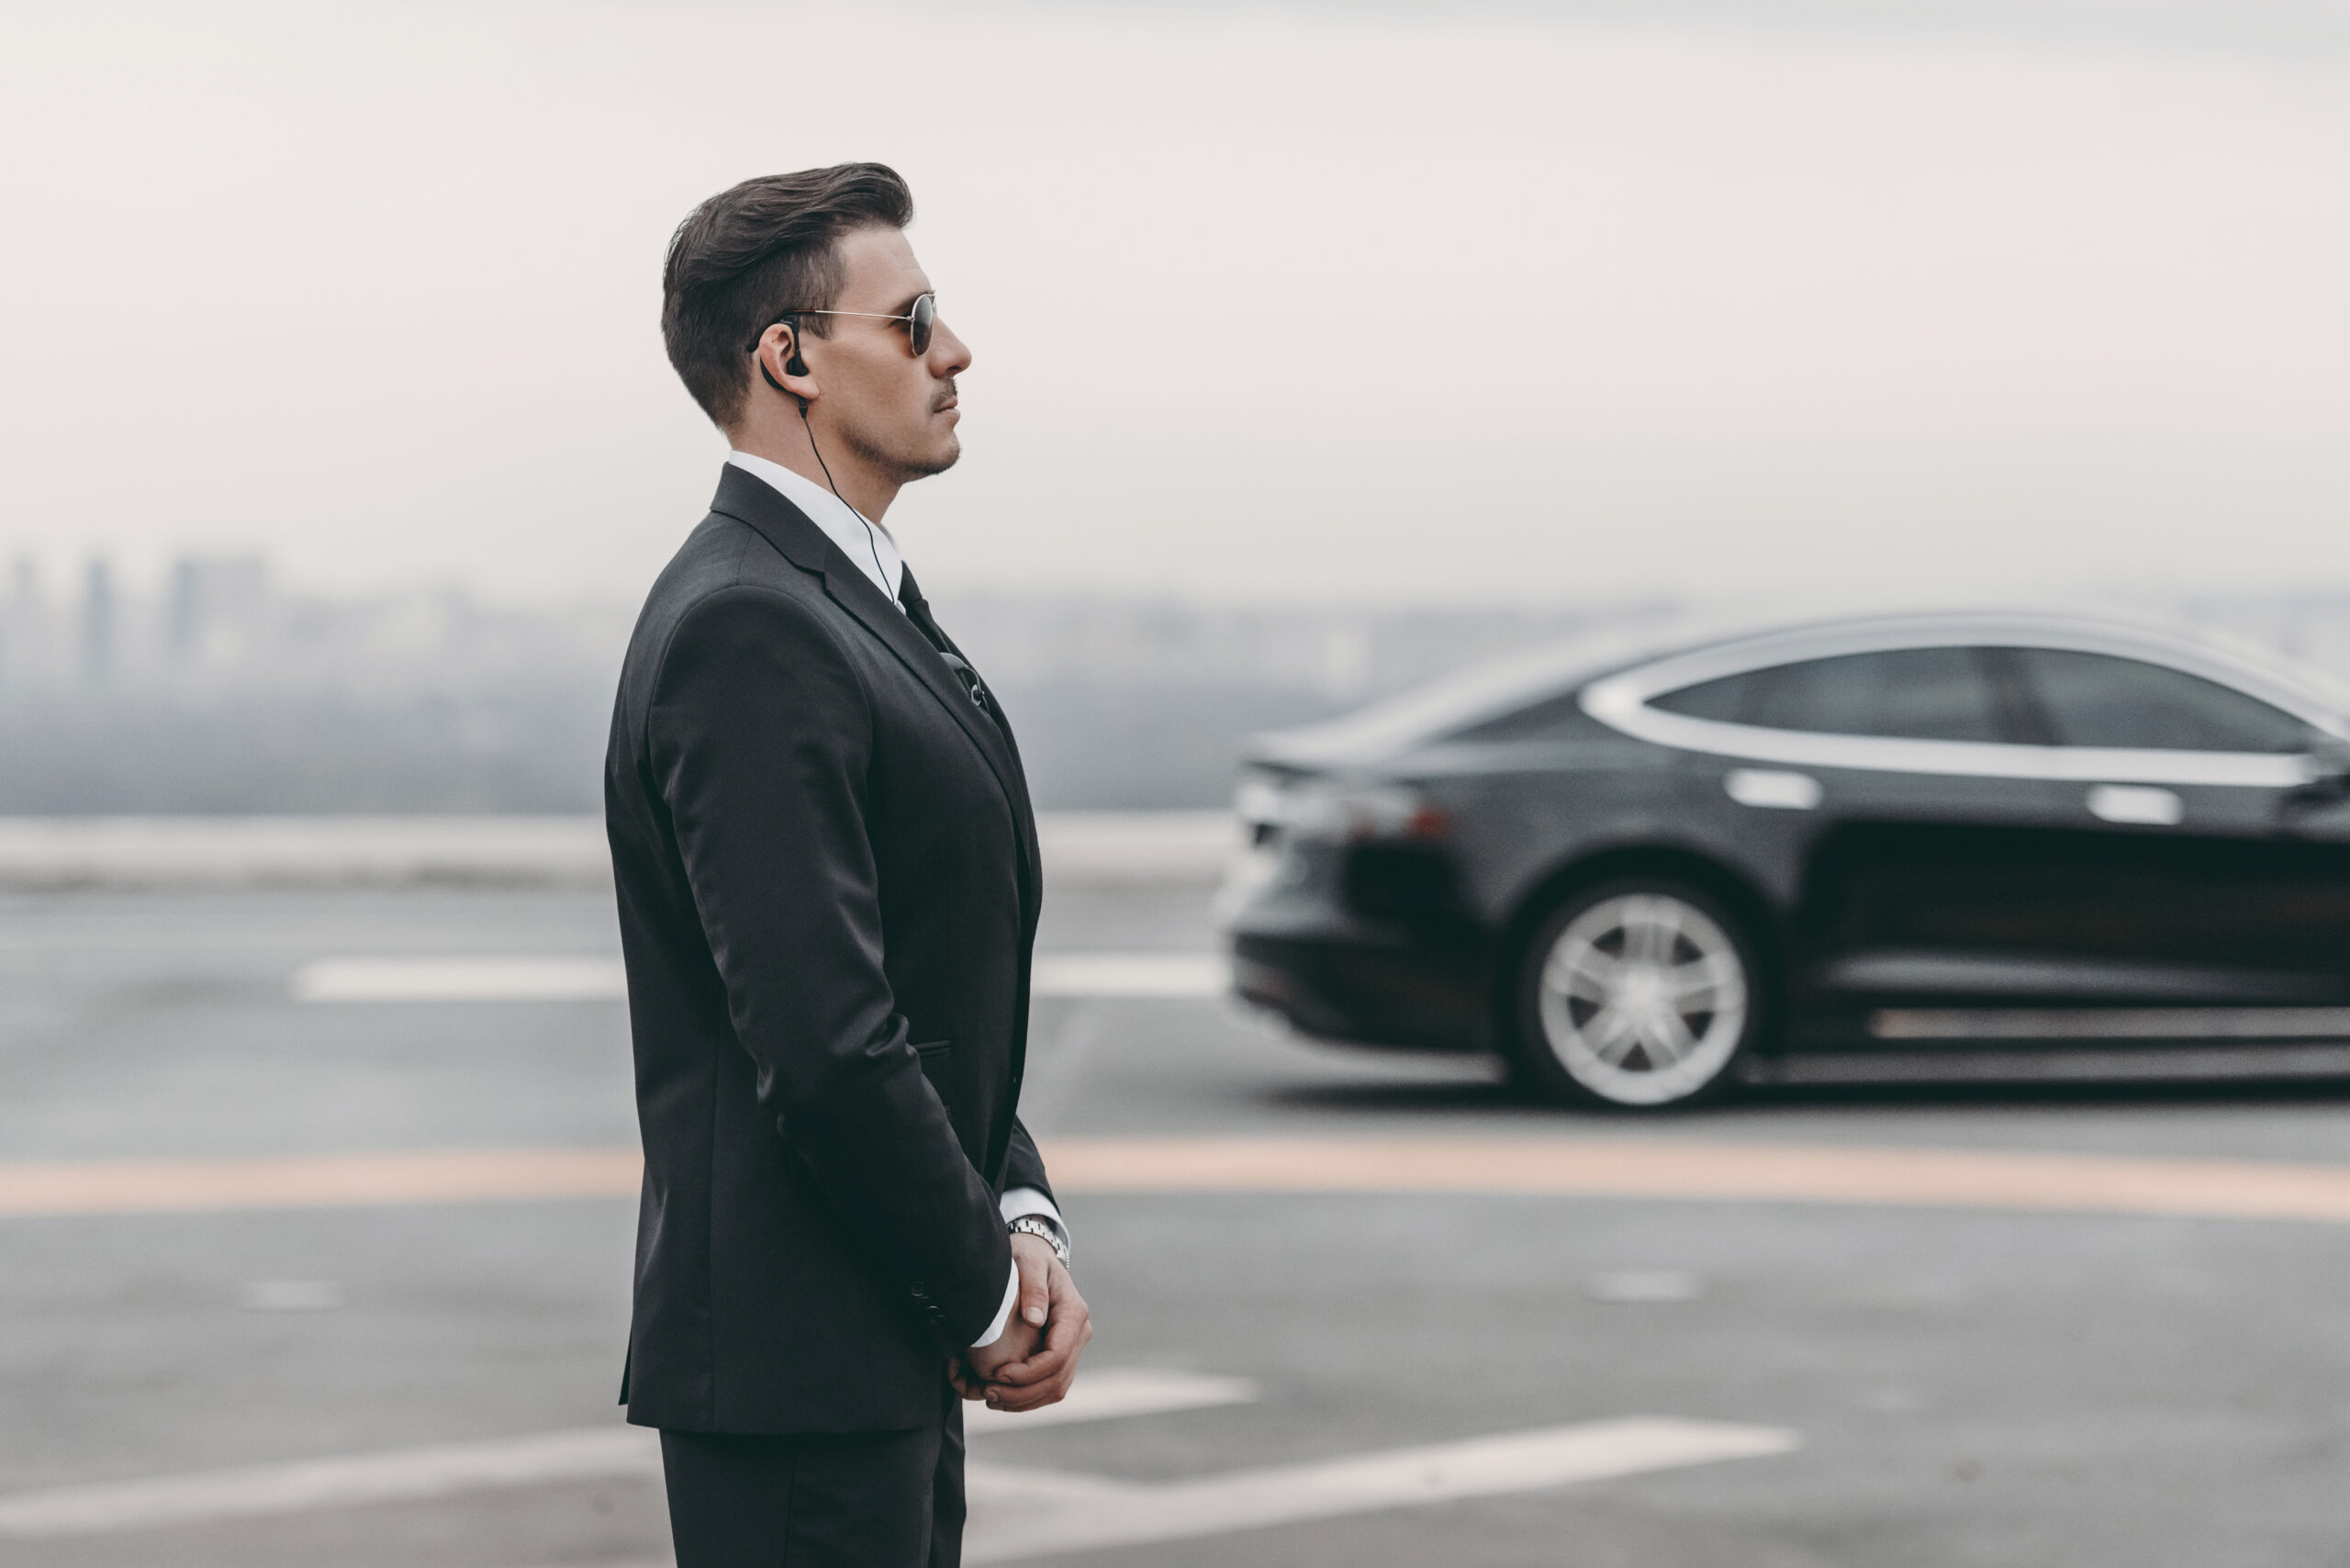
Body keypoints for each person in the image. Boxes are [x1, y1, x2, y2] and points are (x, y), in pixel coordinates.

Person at [604, 162, 1091, 1568]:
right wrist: (989, 1297)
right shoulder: (748, 627)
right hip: (797, 1381)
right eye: (916, 319)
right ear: (792, 358)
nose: (956, 352)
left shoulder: (848, 593)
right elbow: (824, 1036)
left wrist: (1018, 1213)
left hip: (872, 1350)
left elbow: (921, 972)